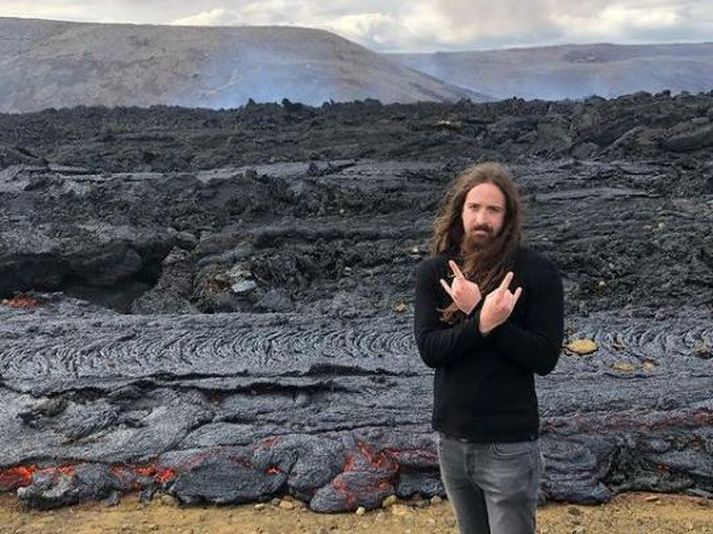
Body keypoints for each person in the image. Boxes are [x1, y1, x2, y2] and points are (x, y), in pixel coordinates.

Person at [413, 162, 564, 534]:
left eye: (493, 209)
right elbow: (431, 350)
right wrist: (482, 321)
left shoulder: (537, 273)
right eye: (474, 207)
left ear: (508, 216)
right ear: (460, 212)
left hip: (509, 444)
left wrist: (481, 315)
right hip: (451, 440)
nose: (482, 218)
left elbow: (544, 357)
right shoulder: (435, 273)